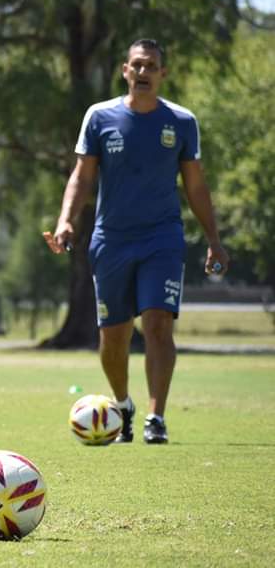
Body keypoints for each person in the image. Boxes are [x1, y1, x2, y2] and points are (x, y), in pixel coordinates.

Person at [44, 38, 229, 445]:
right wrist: (66, 221)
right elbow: (82, 175)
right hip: (111, 240)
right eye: (137, 65)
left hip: (162, 238)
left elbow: (195, 184)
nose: (143, 72)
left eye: (152, 66)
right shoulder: (99, 117)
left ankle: (155, 417)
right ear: (125, 70)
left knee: (158, 322)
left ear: (163, 73)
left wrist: (213, 239)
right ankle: (123, 406)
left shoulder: (181, 122)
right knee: (114, 333)